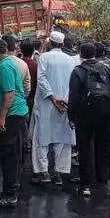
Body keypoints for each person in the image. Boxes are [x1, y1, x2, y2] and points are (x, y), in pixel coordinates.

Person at [68, 42, 110, 197]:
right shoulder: (106, 68)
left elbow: (73, 97)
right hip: (105, 113)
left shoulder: (78, 71)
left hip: (84, 116)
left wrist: (71, 117)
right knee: (108, 147)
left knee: (84, 149)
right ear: (96, 54)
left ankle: (85, 185)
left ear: (80, 54)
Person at [32, 30, 77, 185]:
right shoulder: (71, 60)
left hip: (47, 103)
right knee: (61, 138)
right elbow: (72, 84)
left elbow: (41, 79)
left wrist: (52, 97)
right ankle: (58, 171)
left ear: (50, 42)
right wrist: (64, 100)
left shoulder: (44, 58)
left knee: (42, 138)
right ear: (62, 44)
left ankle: (43, 172)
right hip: (64, 104)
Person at [0, 39, 30, 207]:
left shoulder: (5, 67)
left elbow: (9, 93)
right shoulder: (9, 64)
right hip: (15, 115)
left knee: (9, 156)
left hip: (12, 116)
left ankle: (10, 195)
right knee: (10, 155)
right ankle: (9, 190)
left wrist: (2, 116)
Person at [3, 34, 32, 101]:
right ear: (15, 46)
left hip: (2, 104)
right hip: (19, 104)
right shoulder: (23, 63)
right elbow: (27, 87)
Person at [19, 40, 39, 111]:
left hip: (18, 99)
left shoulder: (16, 63)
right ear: (33, 50)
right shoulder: (36, 65)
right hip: (31, 99)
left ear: (21, 50)